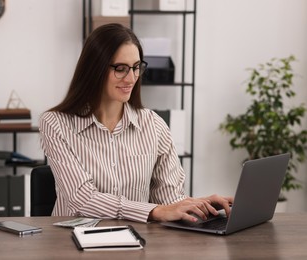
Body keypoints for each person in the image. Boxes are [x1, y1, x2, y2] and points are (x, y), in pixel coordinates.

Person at [39, 23, 233, 223]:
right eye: (121, 69)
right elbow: (82, 199)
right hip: (73, 243)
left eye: (136, 67)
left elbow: (169, 200)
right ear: (94, 69)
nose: (131, 78)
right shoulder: (55, 124)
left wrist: (200, 206)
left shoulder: (154, 125)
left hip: (136, 244)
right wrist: (154, 211)